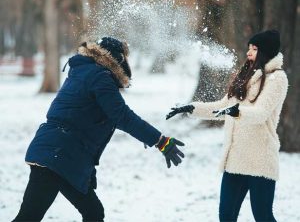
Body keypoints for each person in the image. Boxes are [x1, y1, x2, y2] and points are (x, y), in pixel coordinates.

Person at [13, 37, 185, 222]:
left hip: (60, 153)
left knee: (92, 212)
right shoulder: (99, 77)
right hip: (58, 155)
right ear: (116, 59)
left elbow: (86, 118)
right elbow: (122, 117)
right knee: (31, 217)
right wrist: (160, 141)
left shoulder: (84, 71)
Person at [166, 30, 288, 222]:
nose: (248, 53)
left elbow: (261, 113)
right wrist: (191, 108)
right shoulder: (246, 73)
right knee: (226, 217)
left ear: (265, 52)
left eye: (254, 49)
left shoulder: (277, 79)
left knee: (263, 216)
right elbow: (222, 106)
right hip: (235, 160)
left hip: (260, 160)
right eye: (249, 48)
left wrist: (236, 111)